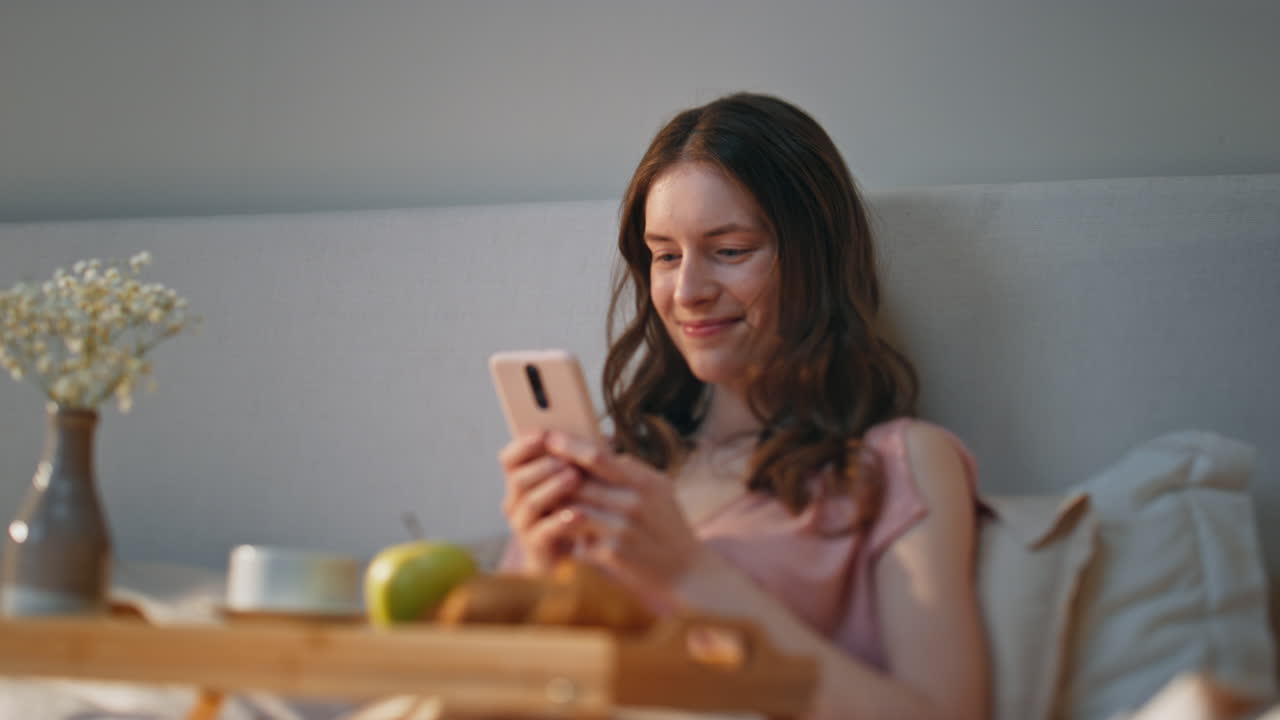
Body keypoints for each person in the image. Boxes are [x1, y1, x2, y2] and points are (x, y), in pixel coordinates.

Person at [498, 93, 988, 720]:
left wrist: (691, 576)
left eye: (729, 251)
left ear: (817, 260)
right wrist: (535, 578)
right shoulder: (616, 468)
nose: (688, 292)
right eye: (666, 256)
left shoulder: (898, 464)